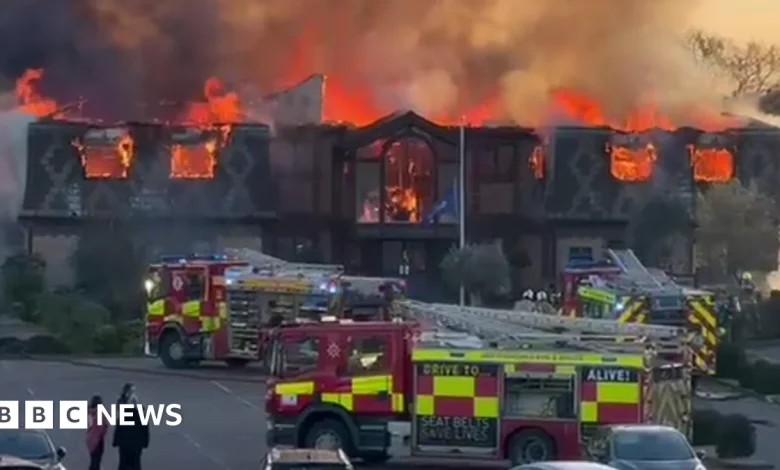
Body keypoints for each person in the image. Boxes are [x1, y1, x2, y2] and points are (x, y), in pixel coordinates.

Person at [113, 383, 149, 470]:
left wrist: (115, 442)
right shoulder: (142, 415)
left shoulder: (124, 414)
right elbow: (145, 431)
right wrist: (145, 443)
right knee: (136, 463)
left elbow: (118, 429)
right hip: (137, 444)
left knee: (123, 464)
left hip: (124, 444)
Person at [87, 395, 108, 470]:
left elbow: (89, 425)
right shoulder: (100, 413)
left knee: (93, 460)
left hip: (90, 439)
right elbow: (104, 426)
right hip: (98, 440)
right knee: (96, 462)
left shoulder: (90, 413)